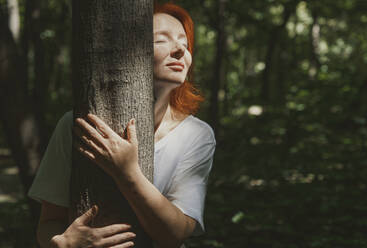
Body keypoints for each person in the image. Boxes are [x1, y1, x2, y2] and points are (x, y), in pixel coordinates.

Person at [28, 2, 216, 248]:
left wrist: (127, 172)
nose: (180, 49)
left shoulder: (196, 134)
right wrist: (62, 244)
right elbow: (49, 222)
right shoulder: (77, 125)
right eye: (162, 40)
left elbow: (176, 234)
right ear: (129, 50)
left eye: (185, 43)